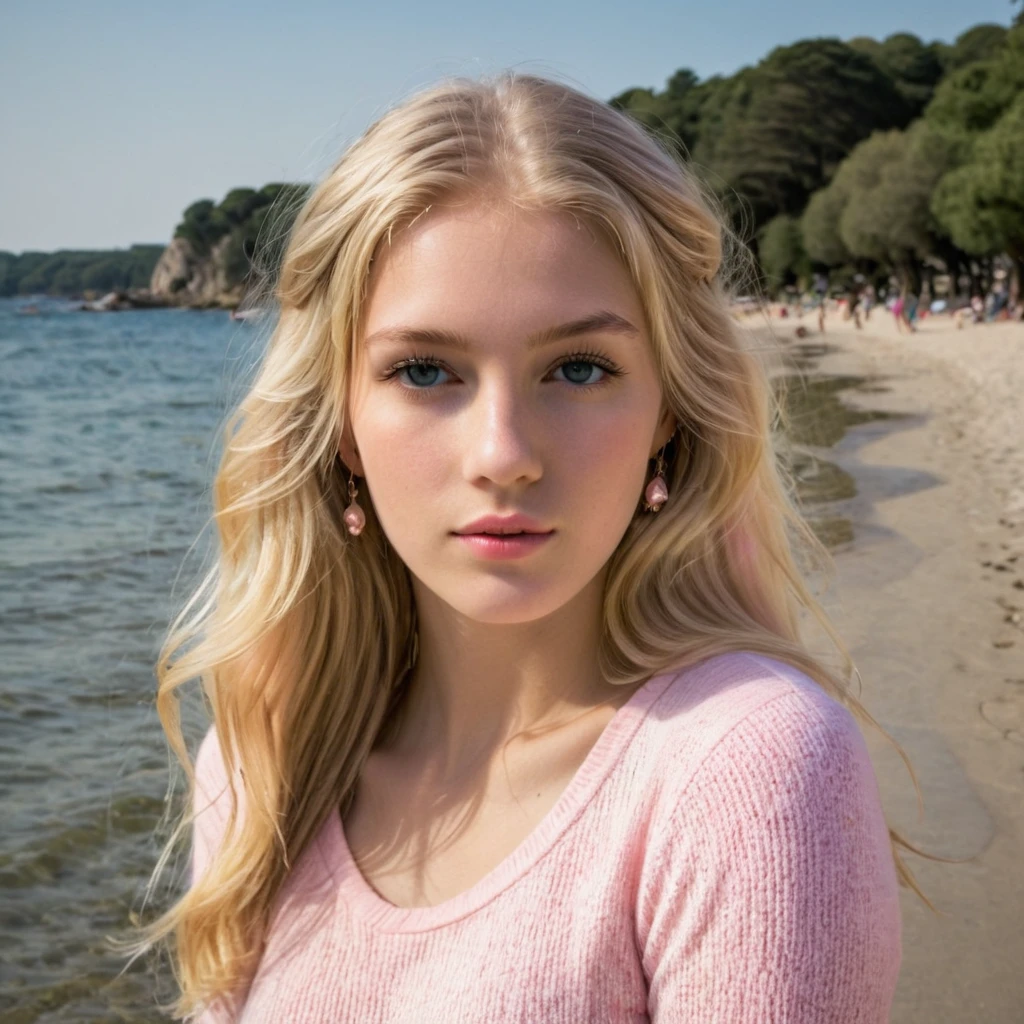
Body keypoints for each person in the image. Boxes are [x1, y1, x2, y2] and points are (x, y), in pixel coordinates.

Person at [126, 72, 940, 1022]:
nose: (503, 454)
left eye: (580, 368)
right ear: (341, 422)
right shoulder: (266, 759)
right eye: (425, 371)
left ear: (669, 412)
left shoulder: (743, 774)